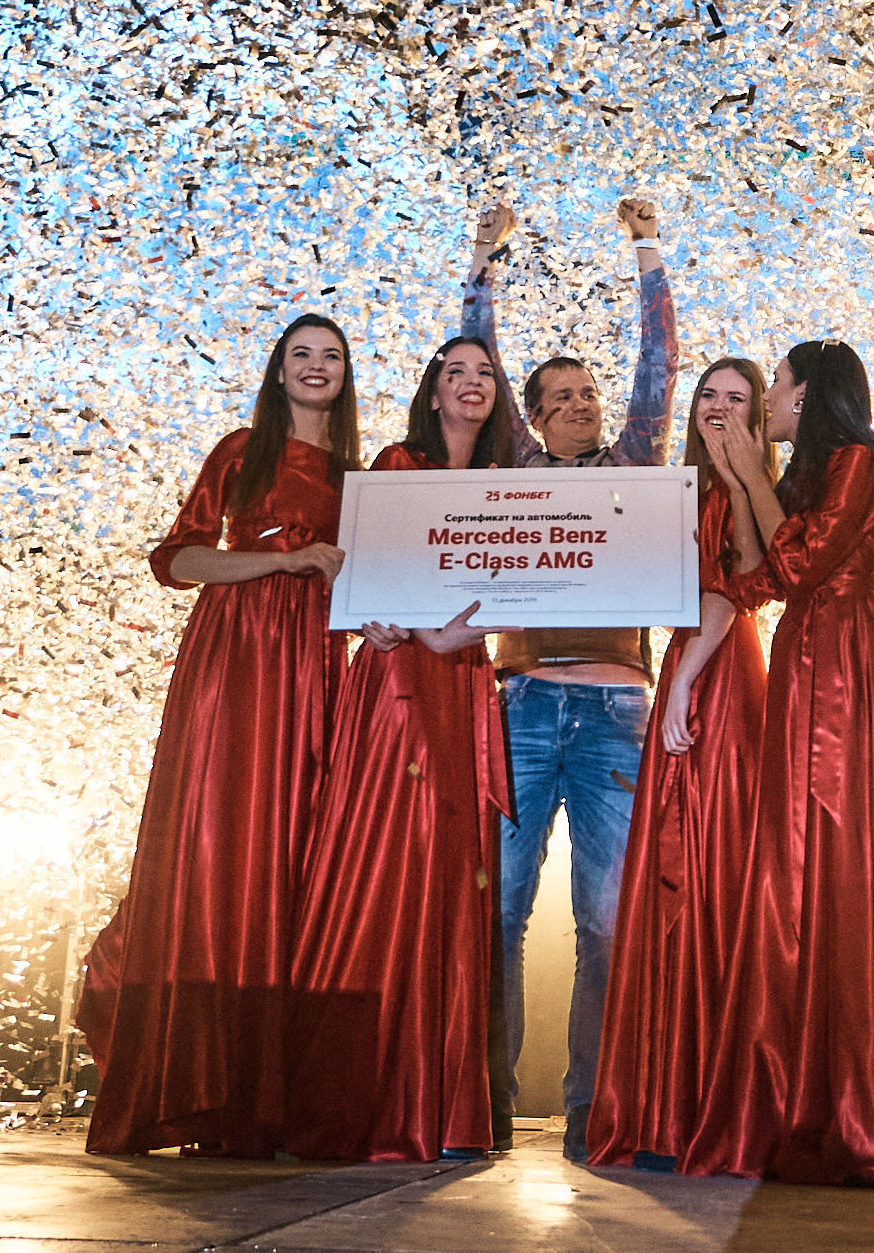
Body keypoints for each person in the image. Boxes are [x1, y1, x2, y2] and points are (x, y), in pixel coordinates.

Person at [79, 314, 359, 1157]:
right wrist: (283, 561)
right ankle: (197, 1083)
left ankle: (266, 1094)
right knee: (221, 847)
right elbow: (180, 560)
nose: (316, 368)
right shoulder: (242, 452)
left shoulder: (361, 477)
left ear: (347, 377)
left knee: (294, 853)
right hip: (236, 664)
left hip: (316, 666)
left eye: (332, 357)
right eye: (301, 356)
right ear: (278, 373)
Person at [458, 197, 679, 1162]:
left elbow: (659, 369)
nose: (588, 405)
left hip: (616, 710)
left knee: (608, 916)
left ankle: (594, 1107)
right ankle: (488, 1106)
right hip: (518, 705)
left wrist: (647, 253)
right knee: (499, 908)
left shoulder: (635, 461)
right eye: (566, 398)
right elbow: (483, 367)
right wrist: (482, 265)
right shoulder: (514, 469)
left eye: (592, 394)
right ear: (536, 421)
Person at [678, 340, 874, 1185]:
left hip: (844, 663)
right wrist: (742, 483)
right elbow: (761, 576)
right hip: (802, 660)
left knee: (837, 864)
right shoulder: (807, 477)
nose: (766, 400)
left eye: (775, 384)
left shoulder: (851, 462)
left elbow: (808, 563)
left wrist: (749, 482)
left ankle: (853, 1099)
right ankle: (795, 1088)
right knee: (793, 871)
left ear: (807, 394)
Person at [280, 337, 513, 1162]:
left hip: (462, 685)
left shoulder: (511, 486)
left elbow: (525, 580)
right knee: (386, 864)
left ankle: (440, 1108)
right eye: (456, 371)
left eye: (486, 373)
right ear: (433, 390)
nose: (472, 382)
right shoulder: (395, 464)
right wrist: (419, 628)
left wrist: (469, 632)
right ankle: (365, 1098)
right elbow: (369, 570)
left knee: (452, 876)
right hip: (398, 684)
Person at [585, 358, 773, 1172]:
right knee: (670, 877)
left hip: (717, 676)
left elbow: (734, 588)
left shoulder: (742, 487)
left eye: (738, 400)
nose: (719, 409)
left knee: (702, 872)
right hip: (685, 670)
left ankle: (700, 1104)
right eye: (710, 396)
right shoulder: (677, 491)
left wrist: (688, 684)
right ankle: (669, 1100)